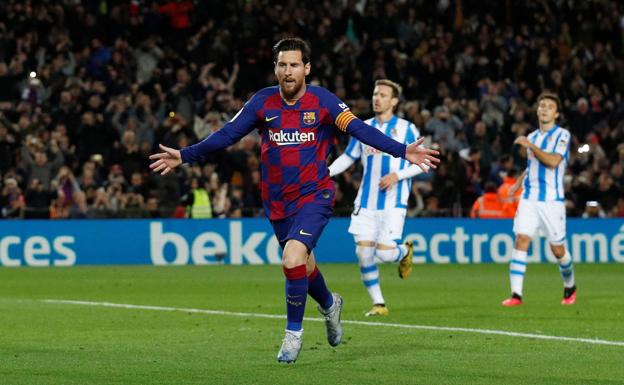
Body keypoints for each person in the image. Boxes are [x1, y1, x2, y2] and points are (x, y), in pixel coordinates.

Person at [148, 38, 440, 363]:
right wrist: (185, 156)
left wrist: (403, 151)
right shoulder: (262, 103)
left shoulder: (324, 102)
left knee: (291, 258)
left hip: (315, 195)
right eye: (282, 65)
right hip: (277, 203)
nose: (288, 72)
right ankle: (330, 304)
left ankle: (293, 334)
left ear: (307, 68)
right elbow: (228, 135)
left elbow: (359, 129)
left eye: (295, 65)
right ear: (275, 68)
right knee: (303, 264)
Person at [328, 79, 422, 317]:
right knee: (363, 252)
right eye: (374, 94)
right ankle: (379, 303)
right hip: (366, 202)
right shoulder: (362, 127)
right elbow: (349, 158)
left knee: (384, 253)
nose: (376, 98)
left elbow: (423, 163)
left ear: (394, 101)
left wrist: (397, 175)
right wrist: (324, 172)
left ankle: (404, 252)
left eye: (382, 94)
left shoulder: (406, 128)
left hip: (393, 202)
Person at [502, 92, 576, 307]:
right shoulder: (533, 136)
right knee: (521, 239)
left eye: (549, 106)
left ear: (556, 113)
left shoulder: (562, 135)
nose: (544, 109)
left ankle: (570, 285)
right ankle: (516, 295)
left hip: (551, 201)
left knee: (558, 250)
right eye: (541, 105)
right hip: (529, 198)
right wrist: (518, 182)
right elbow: (531, 165)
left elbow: (552, 161)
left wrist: (530, 146)